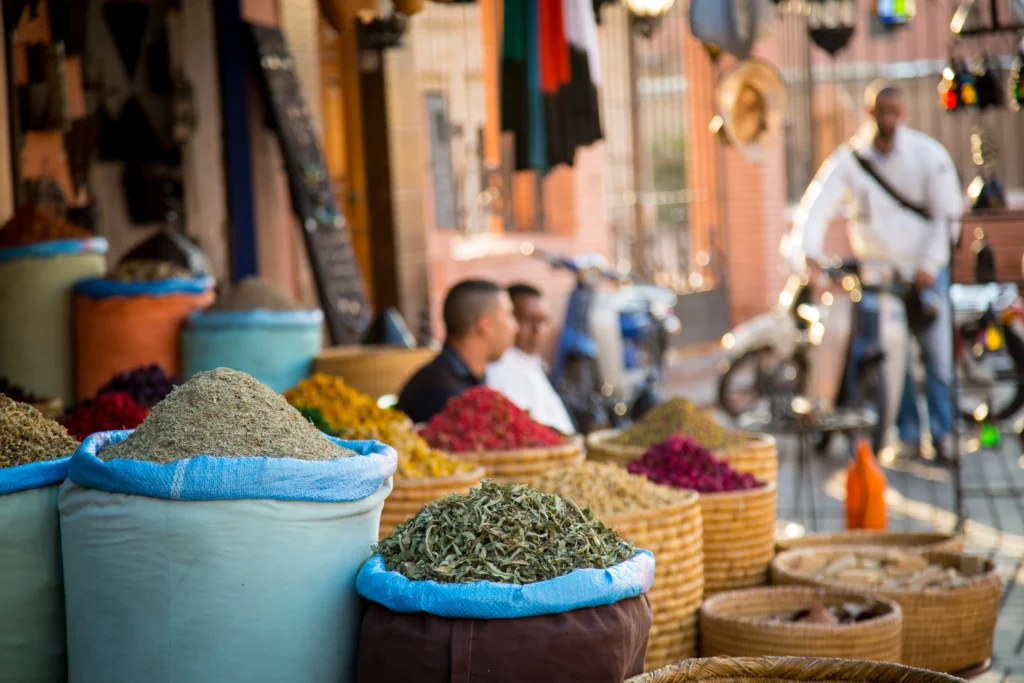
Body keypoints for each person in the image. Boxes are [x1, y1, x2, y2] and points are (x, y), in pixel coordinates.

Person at [786, 80, 963, 460]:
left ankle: (944, 435)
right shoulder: (851, 160)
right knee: (891, 356)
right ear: (869, 113)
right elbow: (817, 206)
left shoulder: (927, 155)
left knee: (936, 356)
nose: (886, 119)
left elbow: (947, 215)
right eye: (879, 111)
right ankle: (909, 435)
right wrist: (809, 252)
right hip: (881, 276)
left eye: (893, 112)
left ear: (903, 114)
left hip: (923, 273)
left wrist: (931, 265)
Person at [396, 279, 518, 424]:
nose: (515, 327)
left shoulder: (466, 379)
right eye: (509, 315)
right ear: (485, 326)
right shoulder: (441, 392)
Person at [486, 284, 576, 434]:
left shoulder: (532, 363)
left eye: (543, 321)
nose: (537, 331)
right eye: (527, 320)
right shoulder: (499, 367)